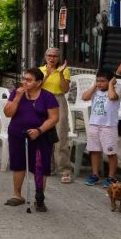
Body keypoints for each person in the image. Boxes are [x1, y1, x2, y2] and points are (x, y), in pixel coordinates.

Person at [3, 68, 59, 212]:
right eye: (24, 79)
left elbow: (54, 118)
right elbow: (8, 113)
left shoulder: (48, 96)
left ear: (38, 82)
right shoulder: (17, 93)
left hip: (41, 135)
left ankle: (39, 198)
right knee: (18, 163)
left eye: (28, 80)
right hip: (17, 134)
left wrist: (39, 130)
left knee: (40, 165)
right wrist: (17, 98)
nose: (24, 82)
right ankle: (17, 195)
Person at [81, 71, 121, 187]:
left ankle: (111, 177)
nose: (99, 83)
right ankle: (95, 175)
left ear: (110, 81)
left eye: (103, 81)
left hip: (108, 126)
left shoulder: (116, 89)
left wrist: (111, 85)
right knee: (94, 151)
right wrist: (94, 86)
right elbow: (84, 97)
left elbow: (112, 97)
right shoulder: (95, 90)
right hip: (94, 124)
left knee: (110, 152)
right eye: (98, 81)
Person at [40, 48, 72, 183]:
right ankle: (49, 166)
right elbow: (36, 87)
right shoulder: (40, 70)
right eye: (49, 55)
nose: (52, 58)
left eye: (55, 56)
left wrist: (60, 74)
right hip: (43, 100)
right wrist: (47, 75)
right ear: (45, 56)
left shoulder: (64, 70)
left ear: (59, 58)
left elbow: (65, 89)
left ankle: (65, 170)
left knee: (60, 136)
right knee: (44, 135)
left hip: (58, 100)